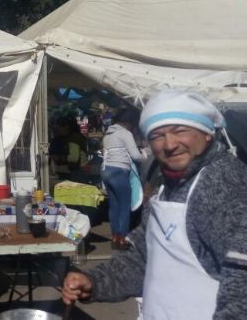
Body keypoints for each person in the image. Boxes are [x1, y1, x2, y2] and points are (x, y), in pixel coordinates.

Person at [62, 90, 247, 319]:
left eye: (180, 131)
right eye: (157, 136)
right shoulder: (170, 182)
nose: (169, 144)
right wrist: (94, 282)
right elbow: (143, 259)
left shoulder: (223, 186)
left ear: (208, 133)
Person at [101, 108, 146, 250]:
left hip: (106, 172)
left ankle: (115, 237)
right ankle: (123, 239)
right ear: (129, 123)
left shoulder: (108, 134)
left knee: (114, 206)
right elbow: (135, 156)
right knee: (124, 207)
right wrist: (145, 153)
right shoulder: (125, 133)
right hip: (119, 173)